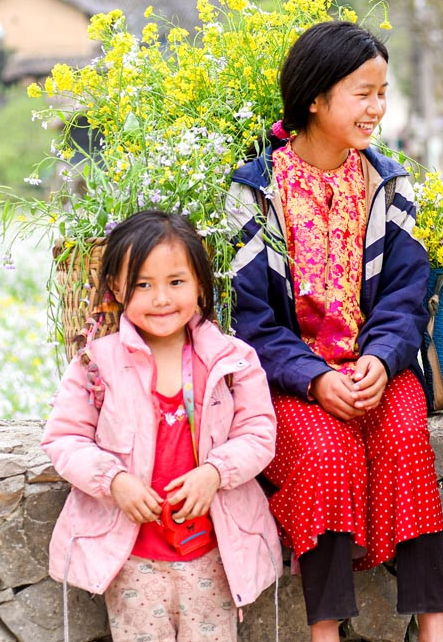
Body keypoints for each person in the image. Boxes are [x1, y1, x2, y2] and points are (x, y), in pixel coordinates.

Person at [225, 21, 443, 642]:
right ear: (315, 97)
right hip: (295, 376)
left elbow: (407, 296)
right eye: (363, 92)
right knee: (324, 456)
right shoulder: (257, 192)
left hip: (378, 369)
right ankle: (324, 631)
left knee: (407, 439)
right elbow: (252, 319)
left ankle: (435, 627)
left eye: (383, 92)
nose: (377, 108)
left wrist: (381, 357)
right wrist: (315, 377)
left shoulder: (389, 185)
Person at [42, 210, 281, 642]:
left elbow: (259, 433)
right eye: (142, 285)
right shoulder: (96, 365)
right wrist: (114, 480)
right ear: (116, 288)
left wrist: (215, 473)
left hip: (213, 555)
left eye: (176, 282)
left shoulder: (233, 361)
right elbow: (64, 438)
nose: (161, 299)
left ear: (200, 285)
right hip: (133, 560)